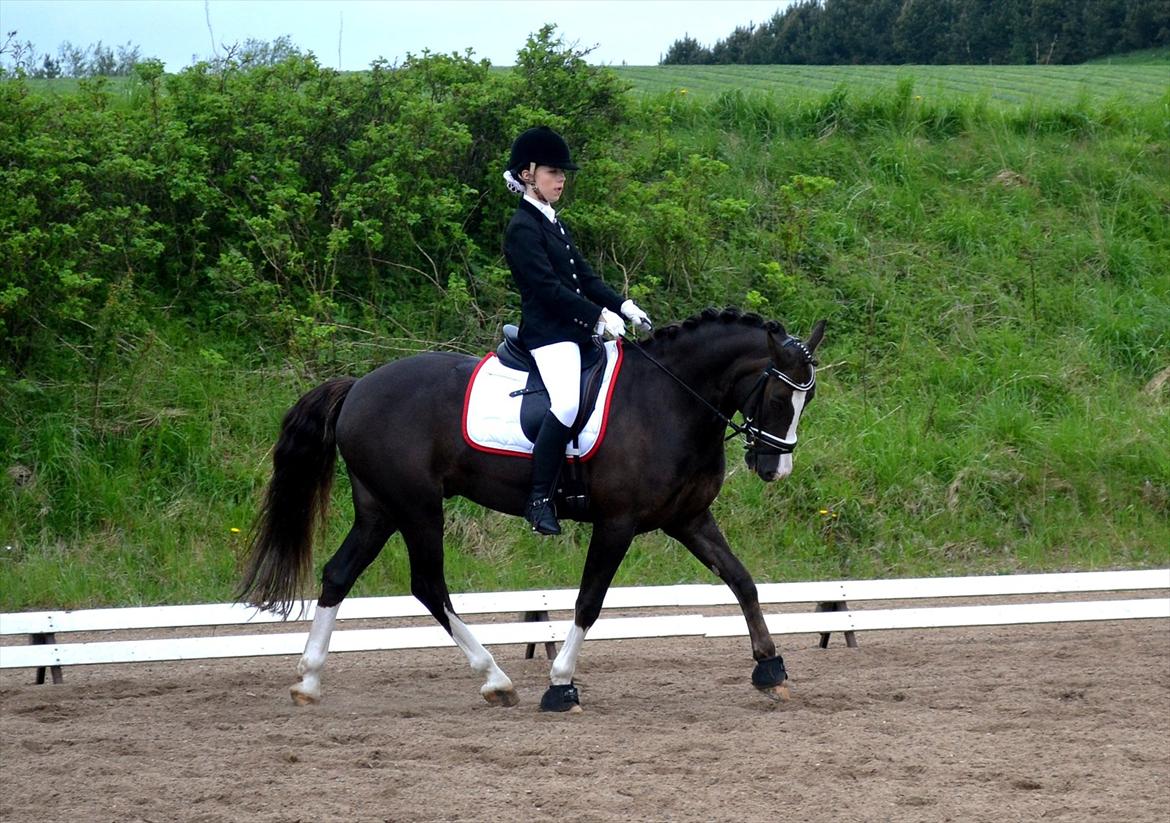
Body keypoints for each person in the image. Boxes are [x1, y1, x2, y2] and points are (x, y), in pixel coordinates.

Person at [502, 125, 651, 535]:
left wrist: (623, 304)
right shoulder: (522, 228)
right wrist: (597, 317)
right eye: (553, 171)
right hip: (548, 335)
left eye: (563, 173)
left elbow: (584, 276)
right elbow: (548, 289)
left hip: (574, 331)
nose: (561, 179)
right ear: (528, 174)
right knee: (566, 404)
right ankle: (539, 498)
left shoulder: (553, 223)